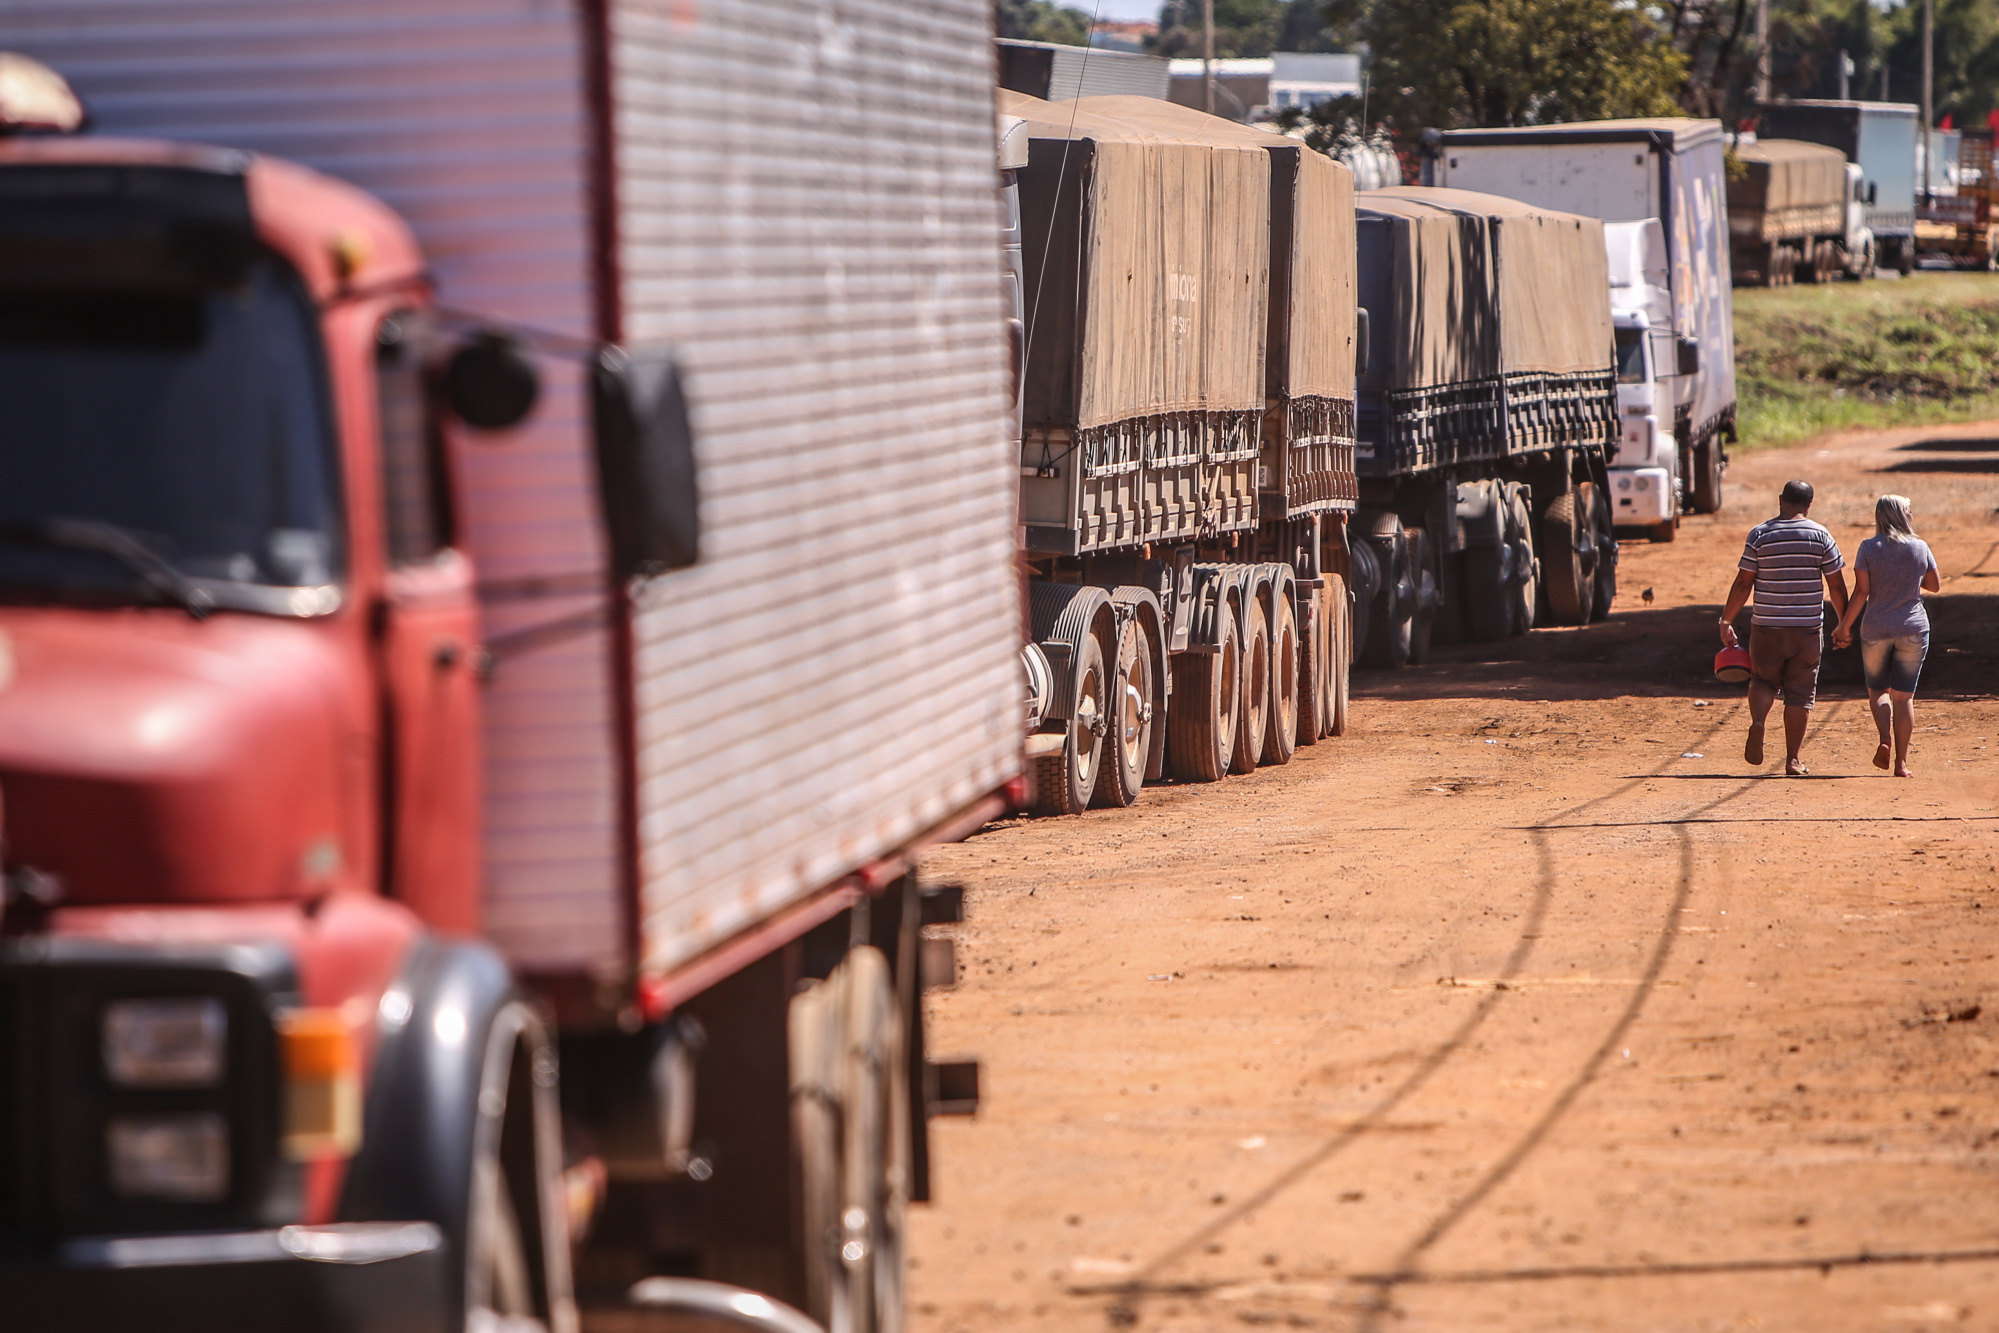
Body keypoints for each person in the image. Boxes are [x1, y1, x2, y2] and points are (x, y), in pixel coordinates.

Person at [1718, 480, 1849, 776]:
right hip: (1806, 629)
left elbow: (1743, 583)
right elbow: (1836, 585)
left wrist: (1726, 620)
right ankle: (1792, 759)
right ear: (1809, 505)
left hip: (1766, 626)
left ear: (1780, 500)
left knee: (1763, 681)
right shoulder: (1820, 535)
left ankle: (1759, 722)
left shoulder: (1760, 535)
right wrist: (1844, 624)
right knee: (1800, 693)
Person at [1833, 494, 1940, 777]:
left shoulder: (1868, 547)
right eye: (1909, 510)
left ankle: (1884, 739)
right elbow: (1934, 585)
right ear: (1902, 516)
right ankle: (1902, 764)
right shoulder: (1920, 546)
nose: (1912, 515)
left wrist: (1844, 626)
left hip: (1876, 628)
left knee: (1878, 690)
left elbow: (1861, 592)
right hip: (1913, 628)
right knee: (1904, 698)